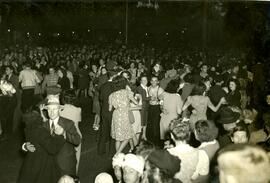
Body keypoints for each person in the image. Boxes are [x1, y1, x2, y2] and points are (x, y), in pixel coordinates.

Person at [18, 102, 65, 183]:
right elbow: (52, 148)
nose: (50, 112)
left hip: (33, 163)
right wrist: (60, 136)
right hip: (44, 165)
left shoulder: (29, 126)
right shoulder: (39, 129)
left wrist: (25, 146)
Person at [43, 94, 81, 176]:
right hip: (49, 165)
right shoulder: (43, 125)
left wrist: (64, 133)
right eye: (49, 109)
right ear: (46, 111)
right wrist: (25, 146)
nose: (52, 112)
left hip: (66, 164)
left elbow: (77, 140)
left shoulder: (68, 123)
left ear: (59, 110)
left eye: (54, 109)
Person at [167, 118, 209, 183]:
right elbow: (203, 178)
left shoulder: (165, 155)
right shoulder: (201, 154)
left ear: (172, 136)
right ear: (189, 134)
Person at [109, 76, 137, 155]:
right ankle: (117, 154)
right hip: (125, 114)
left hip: (116, 114)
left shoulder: (111, 95)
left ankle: (118, 156)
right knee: (128, 135)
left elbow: (109, 109)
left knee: (118, 138)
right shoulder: (127, 92)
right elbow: (136, 102)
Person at [98, 70, 116, 155]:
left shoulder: (103, 86)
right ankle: (111, 152)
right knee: (113, 132)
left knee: (103, 131)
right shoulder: (115, 86)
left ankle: (101, 150)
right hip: (113, 111)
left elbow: (101, 98)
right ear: (114, 76)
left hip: (104, 111)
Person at [146, 76, 164, 146]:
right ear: (150, 81)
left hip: (157, 108)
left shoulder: (160, 89)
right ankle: (150, 141)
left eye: (155, 80)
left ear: (158, 82)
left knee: (155, 125)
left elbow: (163, 101)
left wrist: (157, 102)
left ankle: (156, 142)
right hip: (150, 107)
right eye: (152, 80)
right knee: (150, 124)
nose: (154, 82)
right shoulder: (148, 88)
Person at [136, 75, 150, 140]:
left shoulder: (147, 88)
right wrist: (151, 97)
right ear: (140, 81)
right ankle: (138, 138)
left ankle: (144, 135)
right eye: (143, 80)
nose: (145, 81)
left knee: (145, 122)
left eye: (146, 80)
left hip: (146, 107)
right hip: (141, 107)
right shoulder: (139, 88)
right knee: (141, 122)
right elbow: (143, 98)